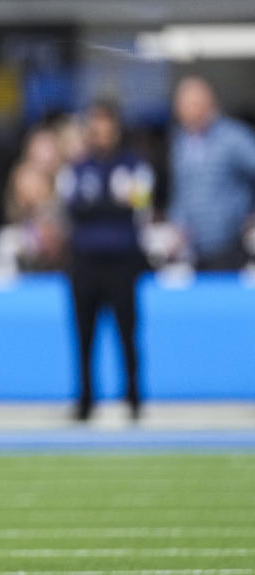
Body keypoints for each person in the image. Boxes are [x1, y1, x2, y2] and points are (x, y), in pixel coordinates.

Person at [57, 100, 152, 422]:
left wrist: (100, 204)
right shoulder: (78, 168)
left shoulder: (133, 164)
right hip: (85, 263)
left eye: (107, 128)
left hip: (122, 263)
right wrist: (112, 202)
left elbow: (139, 203)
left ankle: (134, 397)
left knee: (127, 332)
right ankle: (86, 399)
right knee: (84, 334)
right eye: (96, 128)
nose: (102, 135)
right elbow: (72, 207)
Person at [168, 76, 255, 270]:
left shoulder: (233, 137)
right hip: (194, 249)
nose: (182, 111)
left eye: (189, 105)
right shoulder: (181, 142)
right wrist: (177, 224)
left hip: (230, 245)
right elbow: (182, 190)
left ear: (206, 104)